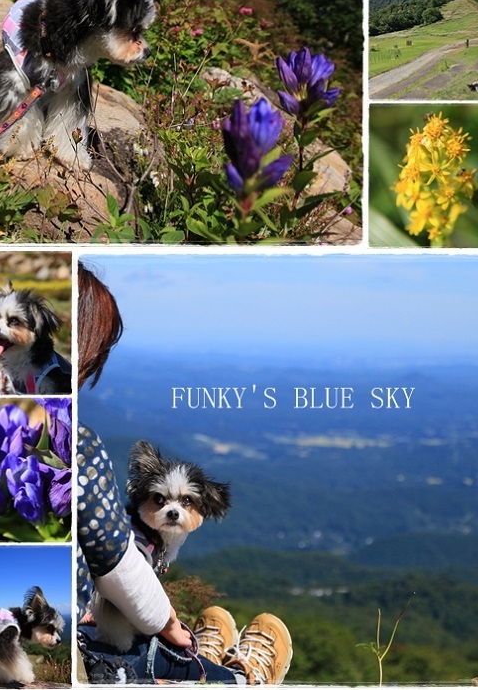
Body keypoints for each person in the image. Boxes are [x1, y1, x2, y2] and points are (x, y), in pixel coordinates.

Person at [76, 263, 292, 684]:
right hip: (94, 644)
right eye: (160, 499)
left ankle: (197, 653)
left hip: (83, 618)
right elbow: (116, 562)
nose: (172, 510)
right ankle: (240, 677)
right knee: (171, 657)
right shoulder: (77, 443)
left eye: (185, 502)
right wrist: (168, 622)